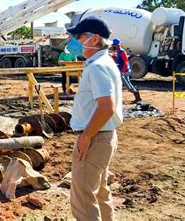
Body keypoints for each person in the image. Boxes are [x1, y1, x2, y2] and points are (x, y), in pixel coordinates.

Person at [65, 16, 123, 221]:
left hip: (95, 138)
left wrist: (86, 137)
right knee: (99, 193)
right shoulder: (104, 62)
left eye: (78, 36)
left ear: (94, 39)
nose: (74, 41)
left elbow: (106, 107)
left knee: (83, 201)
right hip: (104, 136)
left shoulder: (97, 66)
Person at [111, 38, 142, 103]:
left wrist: (122, 71)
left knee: (128, 86)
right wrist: (114, 57)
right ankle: (137, 97)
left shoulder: (122, 52)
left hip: (124, 72)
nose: (112, 46)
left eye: (113, 45)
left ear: (117, 45)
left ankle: (137, 97)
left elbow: (125, 62)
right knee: (123, 85)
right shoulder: (118, 51)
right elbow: (120, 60)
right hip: (122, 71)